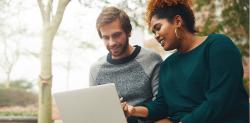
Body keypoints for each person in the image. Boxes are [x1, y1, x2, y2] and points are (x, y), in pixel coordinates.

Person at [123, 0, 249, 123]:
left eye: (158, 27)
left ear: (178, 21)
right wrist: (133, 110)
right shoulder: (168, 64)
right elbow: (161, 105)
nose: (156, 35)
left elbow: (219, 100)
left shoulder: (218, 46)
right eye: (153, 32)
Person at [89, 6, 162, 123]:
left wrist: (132, 110)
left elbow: (161, 107)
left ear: (129, 32)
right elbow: (96, 112)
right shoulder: (96, 70)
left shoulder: (151, 60)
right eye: (106, 38)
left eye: (116, 35)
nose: (111, 43)